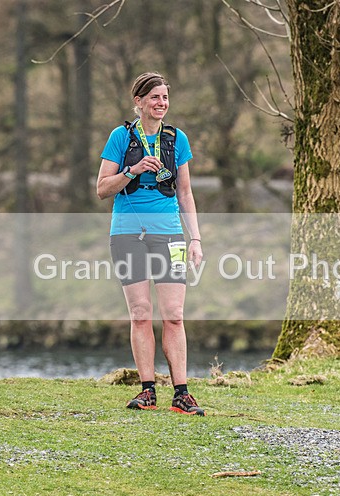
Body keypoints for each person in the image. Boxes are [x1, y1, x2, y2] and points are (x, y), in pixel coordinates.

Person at [96, 72, 205, 416]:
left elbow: (185, 193)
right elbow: (102, 188)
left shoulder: (176, 139)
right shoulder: (121, 137)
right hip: (127, 234)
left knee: (174, 315)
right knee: (141, 313)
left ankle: (182, 393)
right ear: (139, 102)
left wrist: (195, 238)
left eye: (165, 97)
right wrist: (132, 170)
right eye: (155, 97)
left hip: (170, 234)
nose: (161, 103)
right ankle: (147, 391)